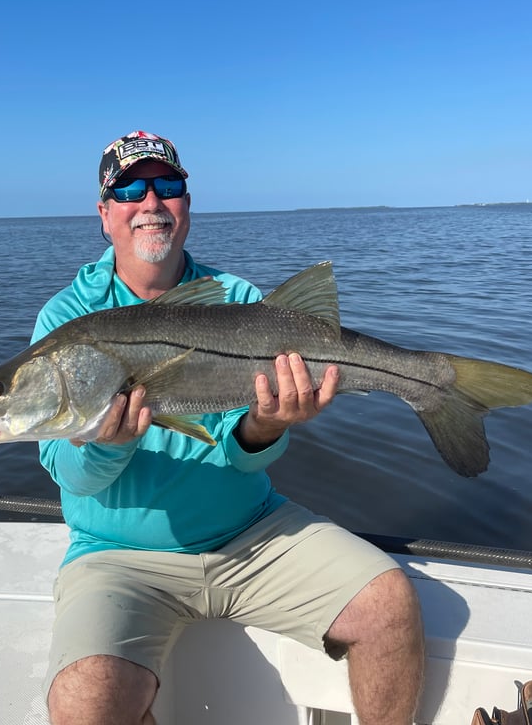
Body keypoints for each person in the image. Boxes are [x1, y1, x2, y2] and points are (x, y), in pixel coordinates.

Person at [34, 130, 424, 725]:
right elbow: (67, 472)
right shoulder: (67, 319)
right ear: (105, 211)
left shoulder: (237, 299)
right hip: (118, 557)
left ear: (186, 203)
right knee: (85, 701)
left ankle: (433, 385)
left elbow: (240, 454)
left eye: (169, 185)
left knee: (389, 604)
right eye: (130, 187)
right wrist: (108, 447)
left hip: (251, 533)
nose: (151, 201)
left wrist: (266, 427)